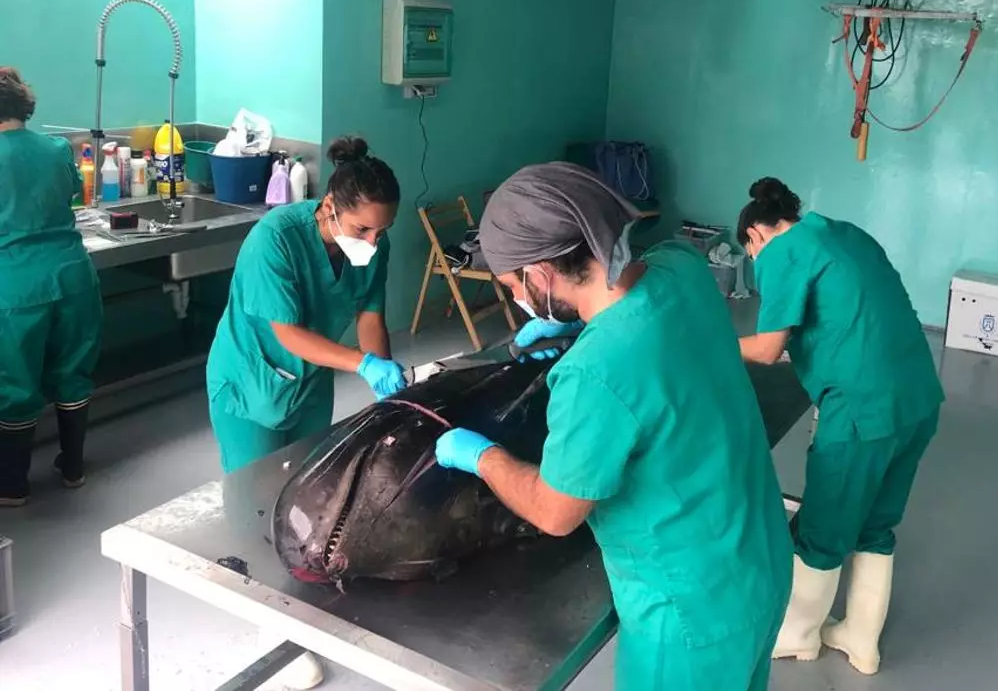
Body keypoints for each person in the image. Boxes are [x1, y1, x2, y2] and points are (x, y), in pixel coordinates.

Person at [435, 162, 792, 691]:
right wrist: (581, 327)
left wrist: (480, 456)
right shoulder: (682, 265)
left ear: (541, 275)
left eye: (513, 285)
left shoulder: (592, 373)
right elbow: (655, 336)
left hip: (688, 615)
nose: (516, 298)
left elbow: (555, 512)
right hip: (760, 559)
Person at [736, 177, 943, 676]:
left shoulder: (781, 252)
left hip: (860, 411)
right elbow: (850, 316)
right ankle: (860, 639)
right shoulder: (845, 234)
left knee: (823, 530)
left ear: (756, 236)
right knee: (876, 526)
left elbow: (767, 348)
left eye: (750, 254)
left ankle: (798, 636)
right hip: (917, 397)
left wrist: (707, 344)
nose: (756, 263)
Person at [207, 136, 406, 475]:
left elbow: (370, 318)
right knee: (254, 489)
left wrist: (388, 391)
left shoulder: (374, 247)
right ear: (329, 206)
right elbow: (289, 334)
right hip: (250, 382)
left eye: (382, 231)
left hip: (312, 380)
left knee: (309, 481)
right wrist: (363, 364)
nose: (373, 242)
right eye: (363, 229)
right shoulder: (275, 239)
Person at [0, 68, 103, 506]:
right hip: (73, 276)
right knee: (73, 372)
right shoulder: (57, 148)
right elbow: (71, 193)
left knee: (16, 385)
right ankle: (73, 467)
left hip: (16, 288)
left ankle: (12, 486)